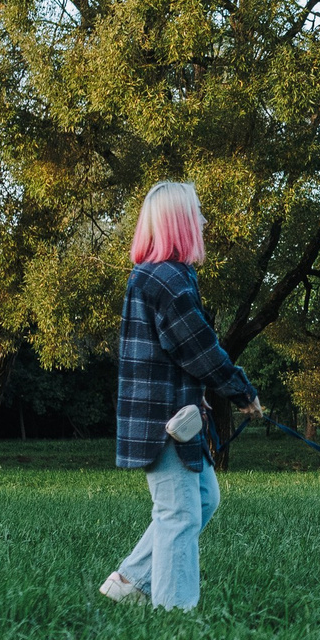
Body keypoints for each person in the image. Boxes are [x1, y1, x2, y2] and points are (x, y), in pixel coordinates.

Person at [100, 181, 261, 610]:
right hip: (164, 423)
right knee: (179, 515)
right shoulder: (167, 281)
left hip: (171, 415)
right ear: (180, 223)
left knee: (204, 498)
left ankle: (130, 581)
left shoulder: (160, 277)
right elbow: (201, 350)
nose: (204, 221)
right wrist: (241, 392)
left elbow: (174, 355)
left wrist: (202, 391)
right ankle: (174, 616)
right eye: (198, 214)